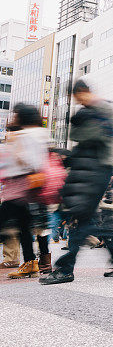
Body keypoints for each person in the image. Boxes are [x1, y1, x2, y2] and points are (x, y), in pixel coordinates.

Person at [41, 80, 113, 284]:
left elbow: (91, 137)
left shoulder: (101, 108)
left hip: (97, 171)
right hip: (88, 171)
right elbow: (83, 142)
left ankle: (66, 269)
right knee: (86, 219)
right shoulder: (88, 111)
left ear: (83, 92)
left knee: (82, 218)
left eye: (78, 97)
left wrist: (78, 124)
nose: (78, 101)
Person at [0, 104, 50, 278]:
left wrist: (15, 148)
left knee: (9, 223)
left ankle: (30, 262)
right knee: (23, 227)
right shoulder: (37, 135)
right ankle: (30, 262)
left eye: (15, 115)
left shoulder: (26, 136)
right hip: (24, 189)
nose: (13, 117)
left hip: (18, 189)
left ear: (22, 117)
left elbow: (30, 162)